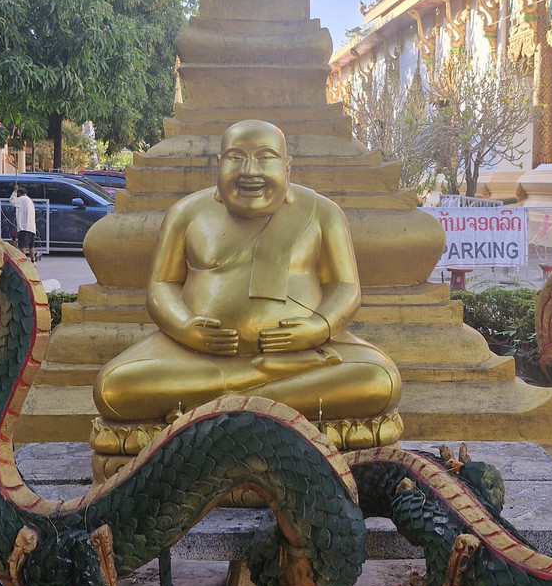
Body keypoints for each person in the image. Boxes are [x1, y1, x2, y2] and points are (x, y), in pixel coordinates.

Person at [93, 120, 401, 425]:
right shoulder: (186, 213)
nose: (250, 171)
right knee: (113, 388)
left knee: (380, 380)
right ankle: (262, 385)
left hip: (304, 353)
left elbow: (346, 287)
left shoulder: (322, 212)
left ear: (287, 167)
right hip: (195, 356)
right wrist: (186, 328)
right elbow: (162, 284)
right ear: (219, 163)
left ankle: (212, 407)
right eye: (236, 157)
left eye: (265, 158)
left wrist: (318, 328)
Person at [9, 187, 37, 262]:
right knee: (31, 245)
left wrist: (14, 192)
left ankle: (24, 262)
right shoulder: (30, 201)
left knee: (22, 246)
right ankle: (33, 261)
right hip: (32, 227)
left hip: (24, 227)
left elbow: (12, 202)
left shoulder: (21, 199)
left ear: (19, 194)